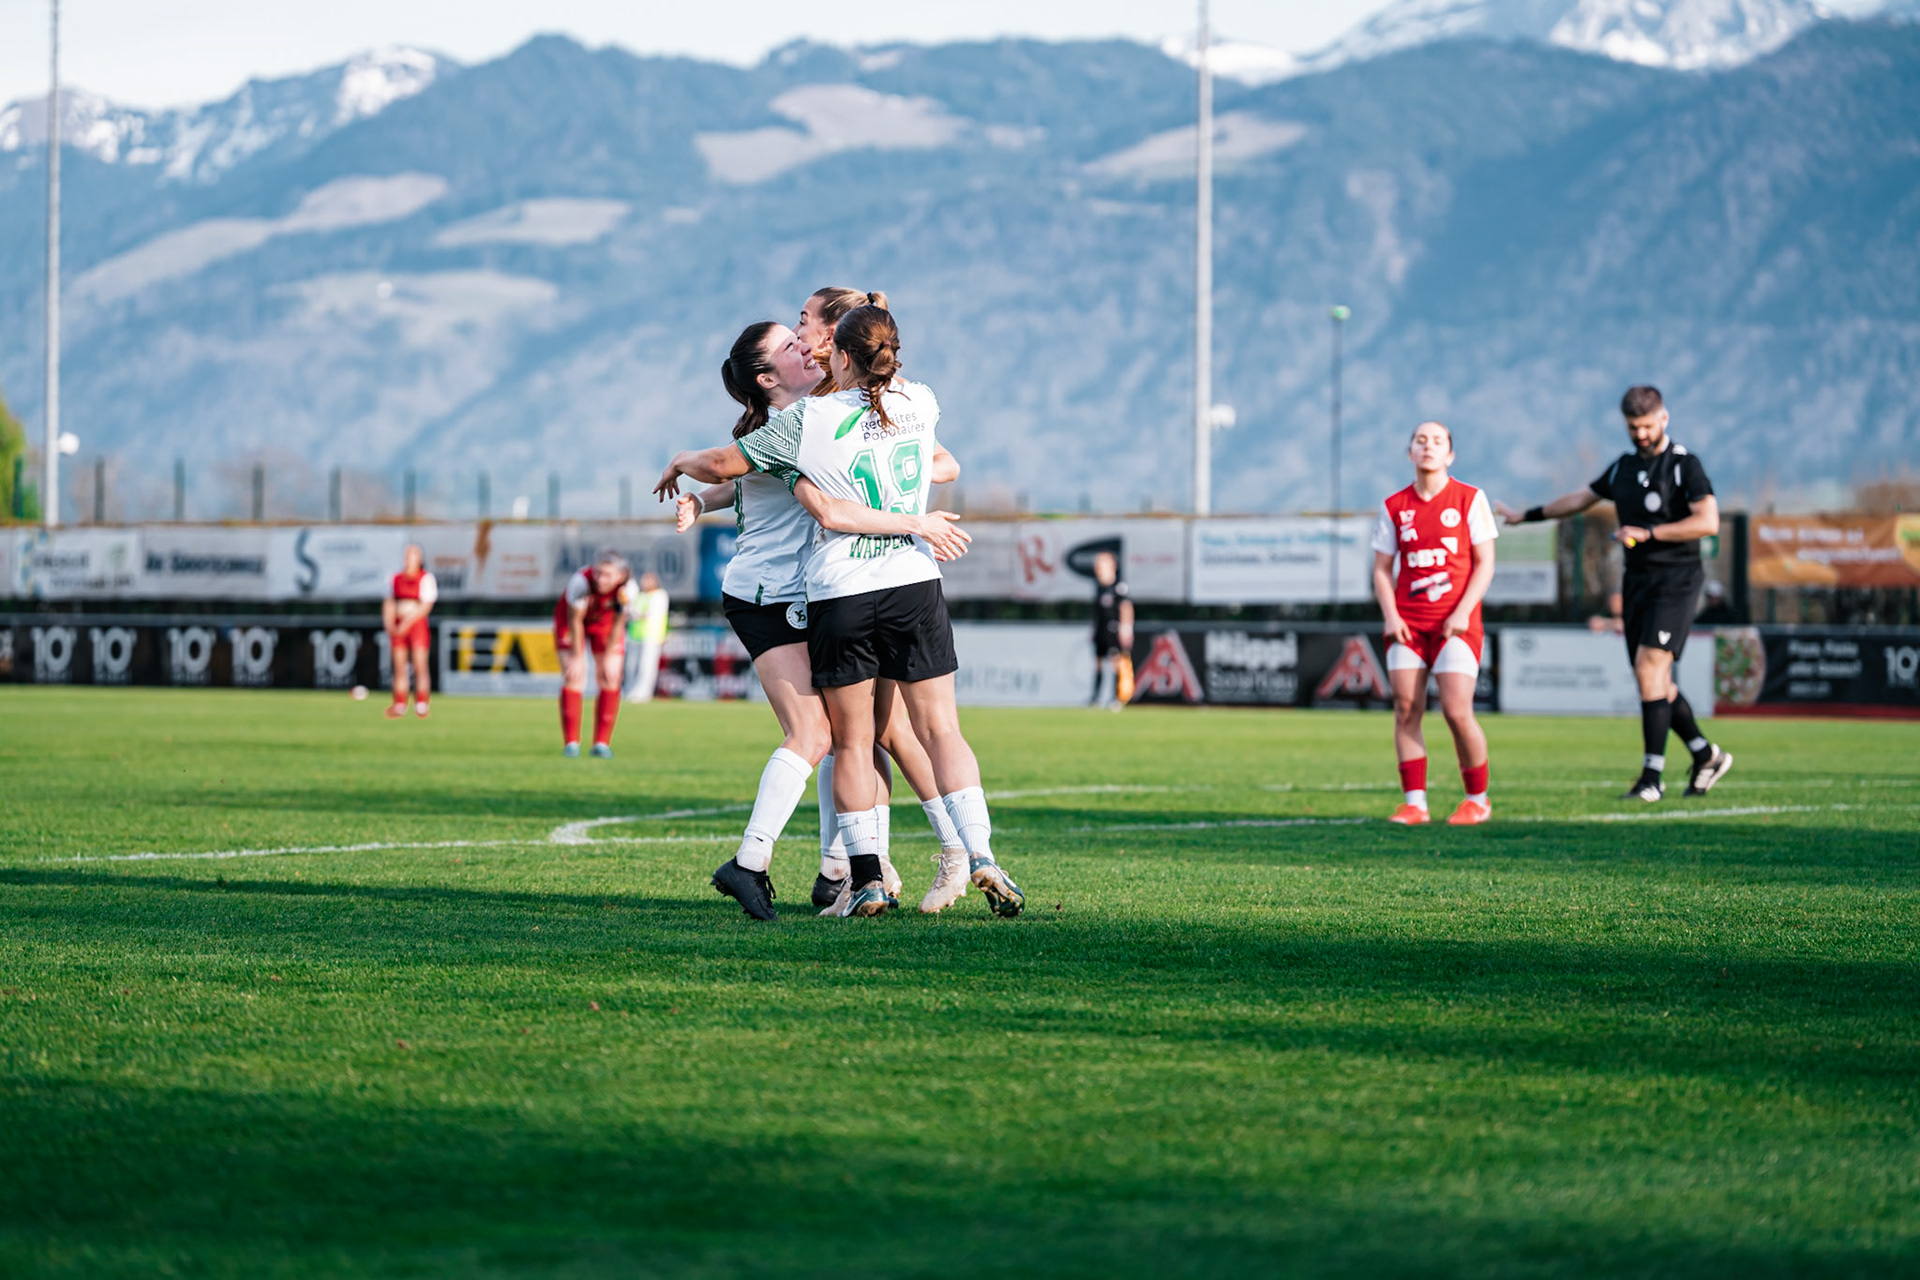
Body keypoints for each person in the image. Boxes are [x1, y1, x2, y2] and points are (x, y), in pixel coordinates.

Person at [657, 304, 1024, 920]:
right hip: (855, 583)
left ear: (839, 351)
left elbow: (767, 480)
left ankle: (864, 873)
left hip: (838, 588)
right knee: (889, 733)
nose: (803, 341)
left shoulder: (812, 419)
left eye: (805, 327)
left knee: (859, 739)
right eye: (791, 338)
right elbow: (741, 474)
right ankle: (957, 855)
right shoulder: (914, 400)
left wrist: (685, 469)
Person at [1496, 385, 1734, 800]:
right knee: (1656, 682)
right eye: (1632, 427)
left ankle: (1651, 779)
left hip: (1676, 582)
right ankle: (1705, 754)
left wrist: (1650, 533)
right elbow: (1580, 498)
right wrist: (1525, 516)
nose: (1640, 434)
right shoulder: (1623, 468)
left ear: (1663, 418)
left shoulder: (1684, 465)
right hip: (1637, 581)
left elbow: (1708, 521)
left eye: (1646, 425)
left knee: (1649, 671)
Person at [1371, 421, 1498, 826]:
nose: (1428, 447)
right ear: (1410, 452)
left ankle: (1477, 799)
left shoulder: (1470, 499)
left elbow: (1485, 563)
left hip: (1455, 626)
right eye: (1420, 441)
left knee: (1457, 711)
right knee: (1406, 708)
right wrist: (1391, 616)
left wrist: (1462, 612)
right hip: (1408, 626)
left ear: (1450, 454)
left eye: (1437, 441)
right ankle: (1415, 804)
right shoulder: (1394, 507)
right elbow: (1381, 570)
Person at [555, 551, 637, 758]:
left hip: (606, 625)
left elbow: (619, 621)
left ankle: (601, 743)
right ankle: (571, 743)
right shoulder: (580, 582)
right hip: (571, 623)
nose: (600, 579)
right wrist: (577, 656)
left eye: (607, 575)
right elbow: (575, 620)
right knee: (574, 675)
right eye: (598, 573)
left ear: (620, 575)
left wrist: (610, 656)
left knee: (610, 677)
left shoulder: (628, 589)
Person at [381, 543, 436, 720]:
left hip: (416, 625)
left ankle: (421, 703)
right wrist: (390, 623)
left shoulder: (425, 578)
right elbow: (389, 602)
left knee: (420, 665)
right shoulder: (395, 578)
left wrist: (407, 622)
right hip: (398, 625)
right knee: (399, 666)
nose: (407, 559)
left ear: (419, 559)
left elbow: (425, 606)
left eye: (411, 555)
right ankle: (400, 703)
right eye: (406, 555)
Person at [1089, 549, 1134, 708]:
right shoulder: (1099, 587)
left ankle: (1118, 698)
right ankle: (1096, 697)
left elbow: (1126, 607)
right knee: (1098, 662)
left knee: (1117, 662)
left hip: (1114, 628)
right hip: (1101, 629)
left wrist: (1126, 628)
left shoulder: (1119, 587)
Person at [624, 572, 670, 703]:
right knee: (631, 666)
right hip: (635, 635)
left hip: (651, 636)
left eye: (648, 580)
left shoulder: (659, 595)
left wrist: (633, 611)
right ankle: (629, 690)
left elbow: (645, 613)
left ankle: (643, 692)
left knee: (646, 666)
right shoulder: (640, 595)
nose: (644, 583)